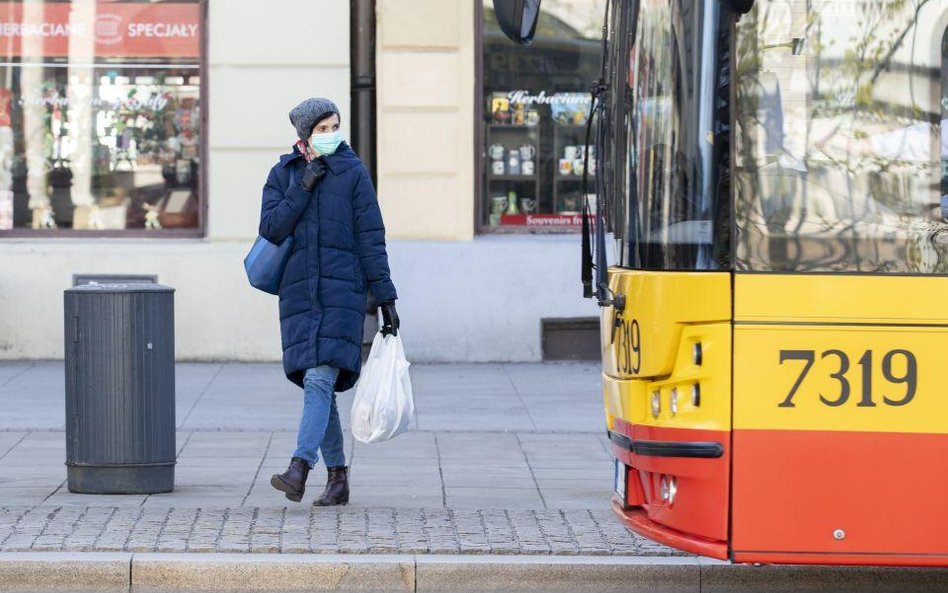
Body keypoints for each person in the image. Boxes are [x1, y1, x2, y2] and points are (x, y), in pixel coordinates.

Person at [259, 97, 399, 506]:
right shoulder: (283, 174)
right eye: (322, 129)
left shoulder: (353, 172)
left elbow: (371, 236)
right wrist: (303, 187)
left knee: (320, 378)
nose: (330, 134)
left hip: (342, 291)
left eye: (334, 126)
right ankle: (338, 479)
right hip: (300, 290)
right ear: (304, 133)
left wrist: (385, 296)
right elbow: (271, 227)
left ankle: (299, 467)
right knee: (315, 385)